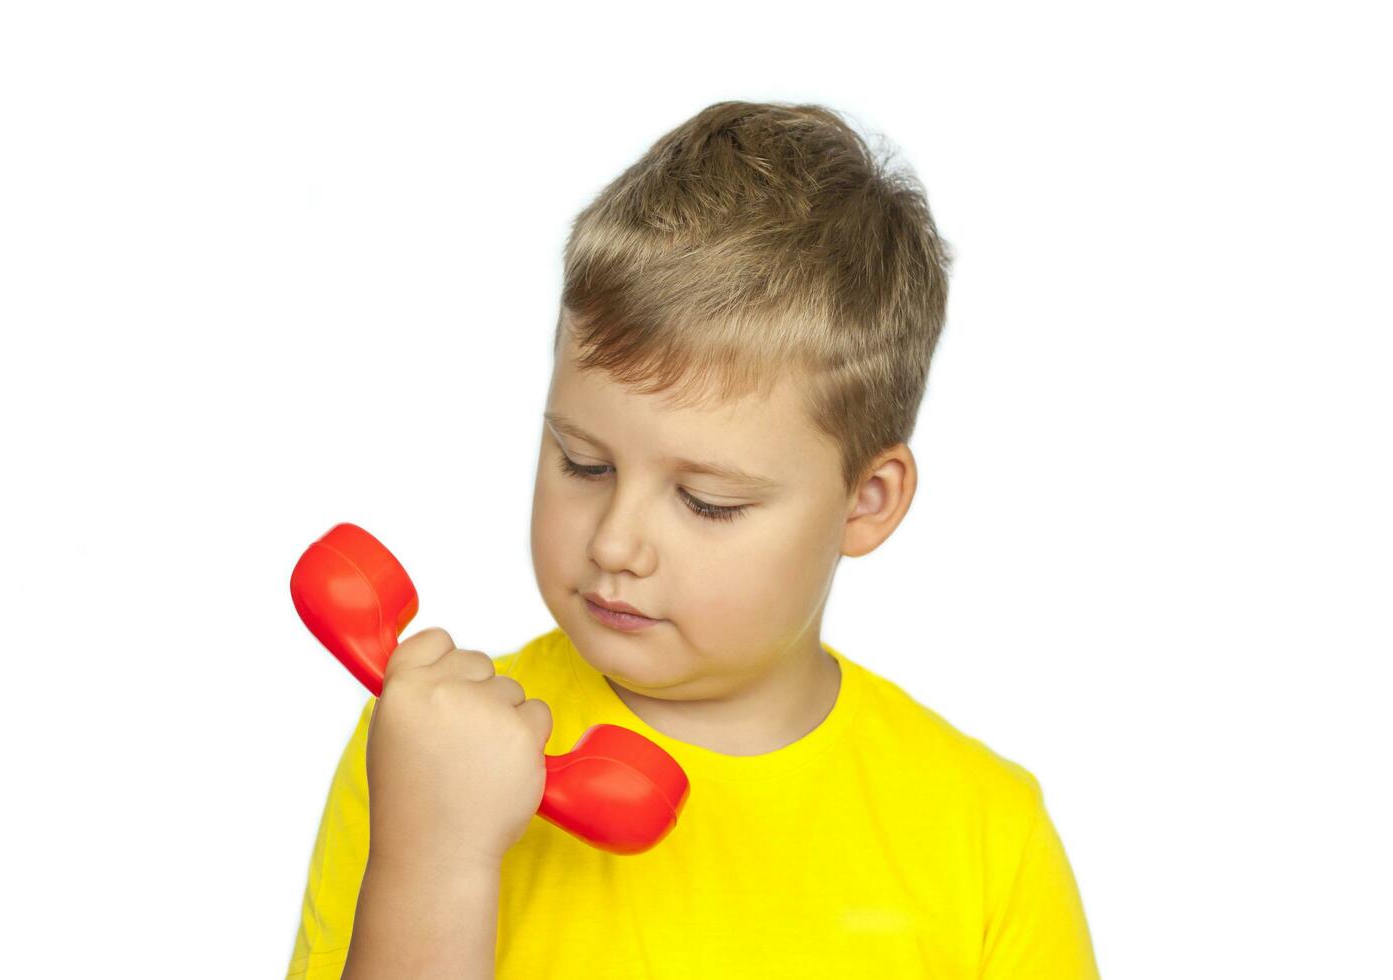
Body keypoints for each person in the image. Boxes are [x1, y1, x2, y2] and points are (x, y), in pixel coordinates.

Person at [285, 100, 1100, 979]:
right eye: (582, 462)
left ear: (866, 500)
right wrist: (436, 861)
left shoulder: (985, 836)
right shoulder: (428, 745)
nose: (616, 544)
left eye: (706, 502)